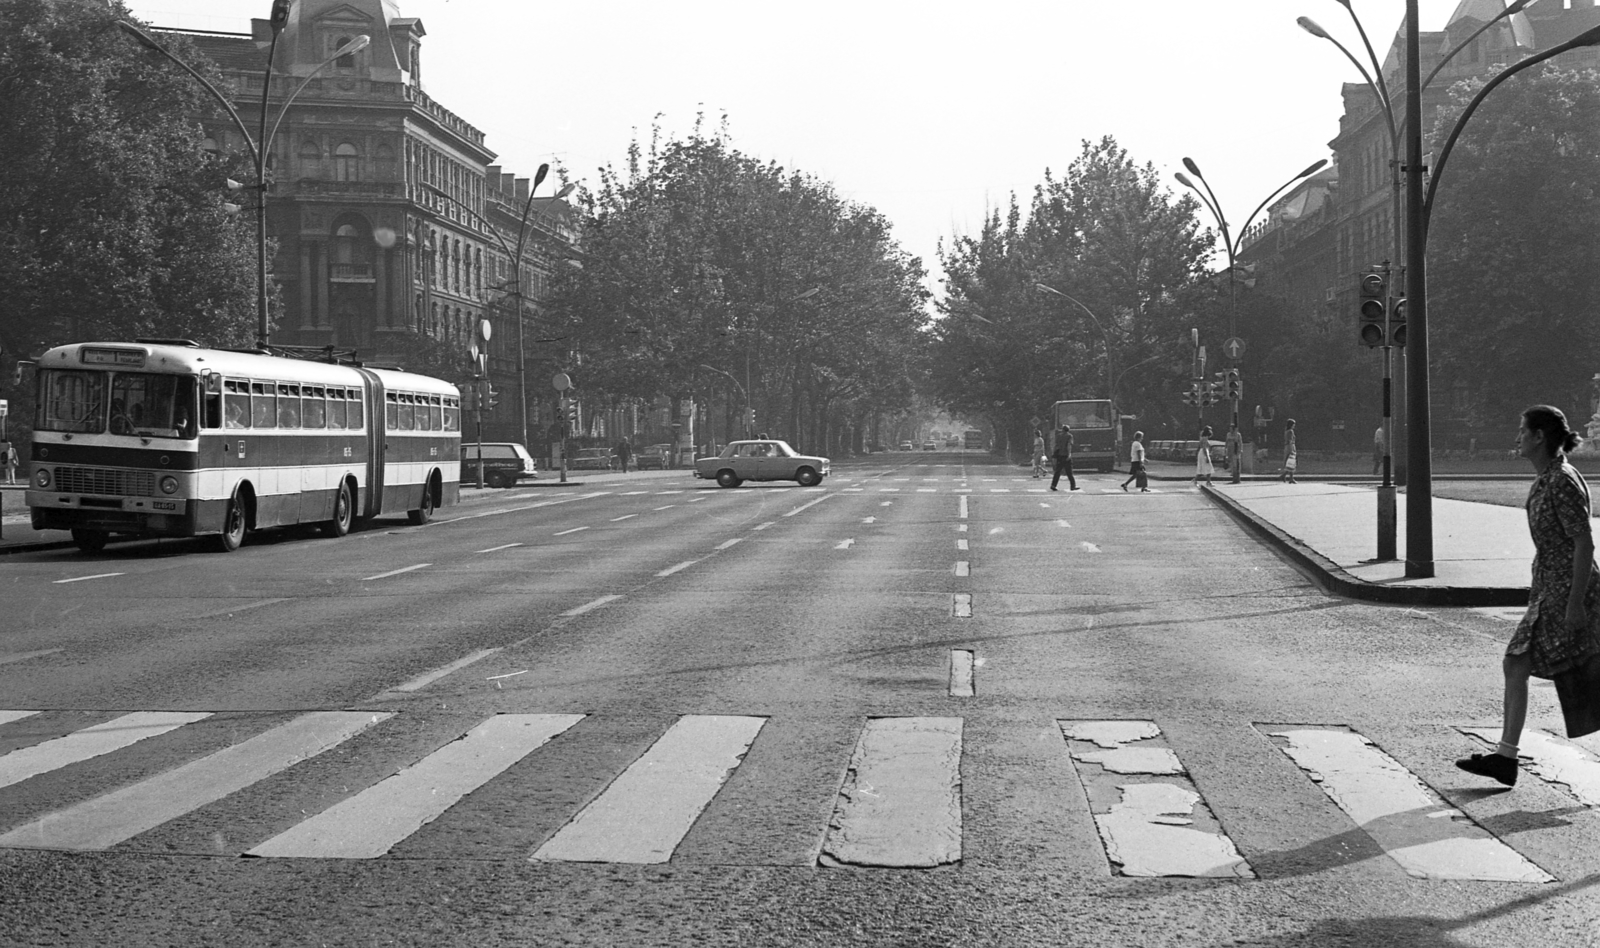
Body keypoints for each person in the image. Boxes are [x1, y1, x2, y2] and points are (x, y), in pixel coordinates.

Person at [1457, 405, 1599, 787]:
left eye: (1522, 430)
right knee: (1521, 664)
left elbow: (1584, 544)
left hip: (1568, 593)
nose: (1517, 437)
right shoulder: (1548, 479)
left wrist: (1573, 605)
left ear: (1539, 436)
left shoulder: (1561, 481)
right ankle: (1505, 757)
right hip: (1551, 591)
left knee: (1581, 675)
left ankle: (1506, 757)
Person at [1049, 424, 1079, 492]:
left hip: (1059, 455)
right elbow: (1069, 445)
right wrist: (1069, 454)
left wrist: (1054, 454)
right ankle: (1072, 486)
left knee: (1057, 471)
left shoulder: (1059, 436)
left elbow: (1056, 445)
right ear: (1068, 430)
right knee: (1069, 472)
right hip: (1065, 455)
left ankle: (1053, 485)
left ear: (1062, 429)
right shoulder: (1069, 436)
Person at [1279, 418, 1298, 483]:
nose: (1294, 425)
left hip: (1287, 447)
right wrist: (1292, 450)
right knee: (1291, 462)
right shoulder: (1290, 431)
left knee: (1289, 463)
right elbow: (1290, 441)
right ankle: (1286, 476)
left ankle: (1289, 478)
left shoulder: (1286, 431)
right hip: (1290, 446)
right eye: (1293, 424)